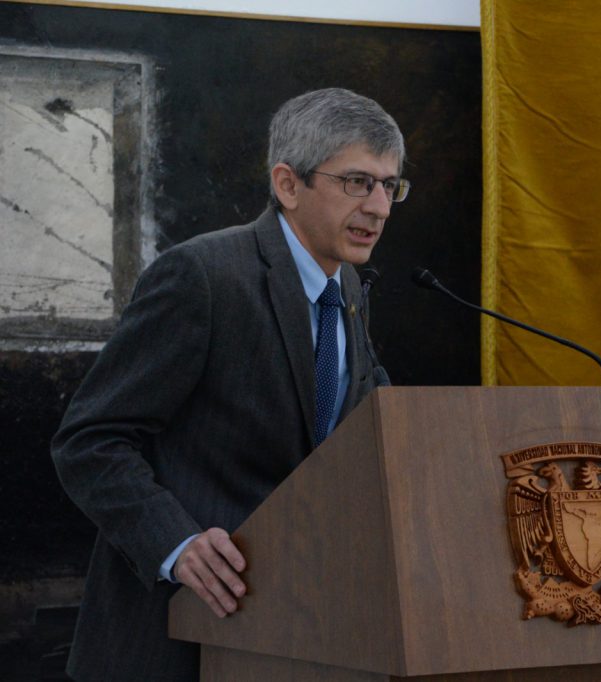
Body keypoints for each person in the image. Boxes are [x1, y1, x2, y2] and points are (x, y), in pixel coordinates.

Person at [50, 88, 407, 681]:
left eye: (389, 186)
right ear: (288, 184)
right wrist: (176, 545)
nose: (380, 207)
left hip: (296, 634)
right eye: (357, 182)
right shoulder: (202, 276)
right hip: (171, 637)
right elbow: (90, 441)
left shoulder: (346, 290)